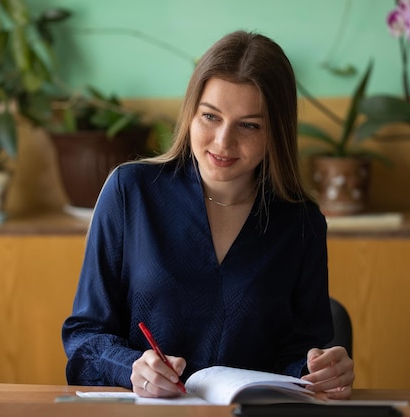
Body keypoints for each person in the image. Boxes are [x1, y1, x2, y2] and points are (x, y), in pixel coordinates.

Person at [61, 30, 354, 400]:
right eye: (211, 117)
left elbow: (298, 358)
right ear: (190, 113)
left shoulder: (301, 223)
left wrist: (323, 369)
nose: (223, 142)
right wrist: (131, 367)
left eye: (249, 125)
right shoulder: (130, 192)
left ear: (276, 132)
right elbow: (84, 336)